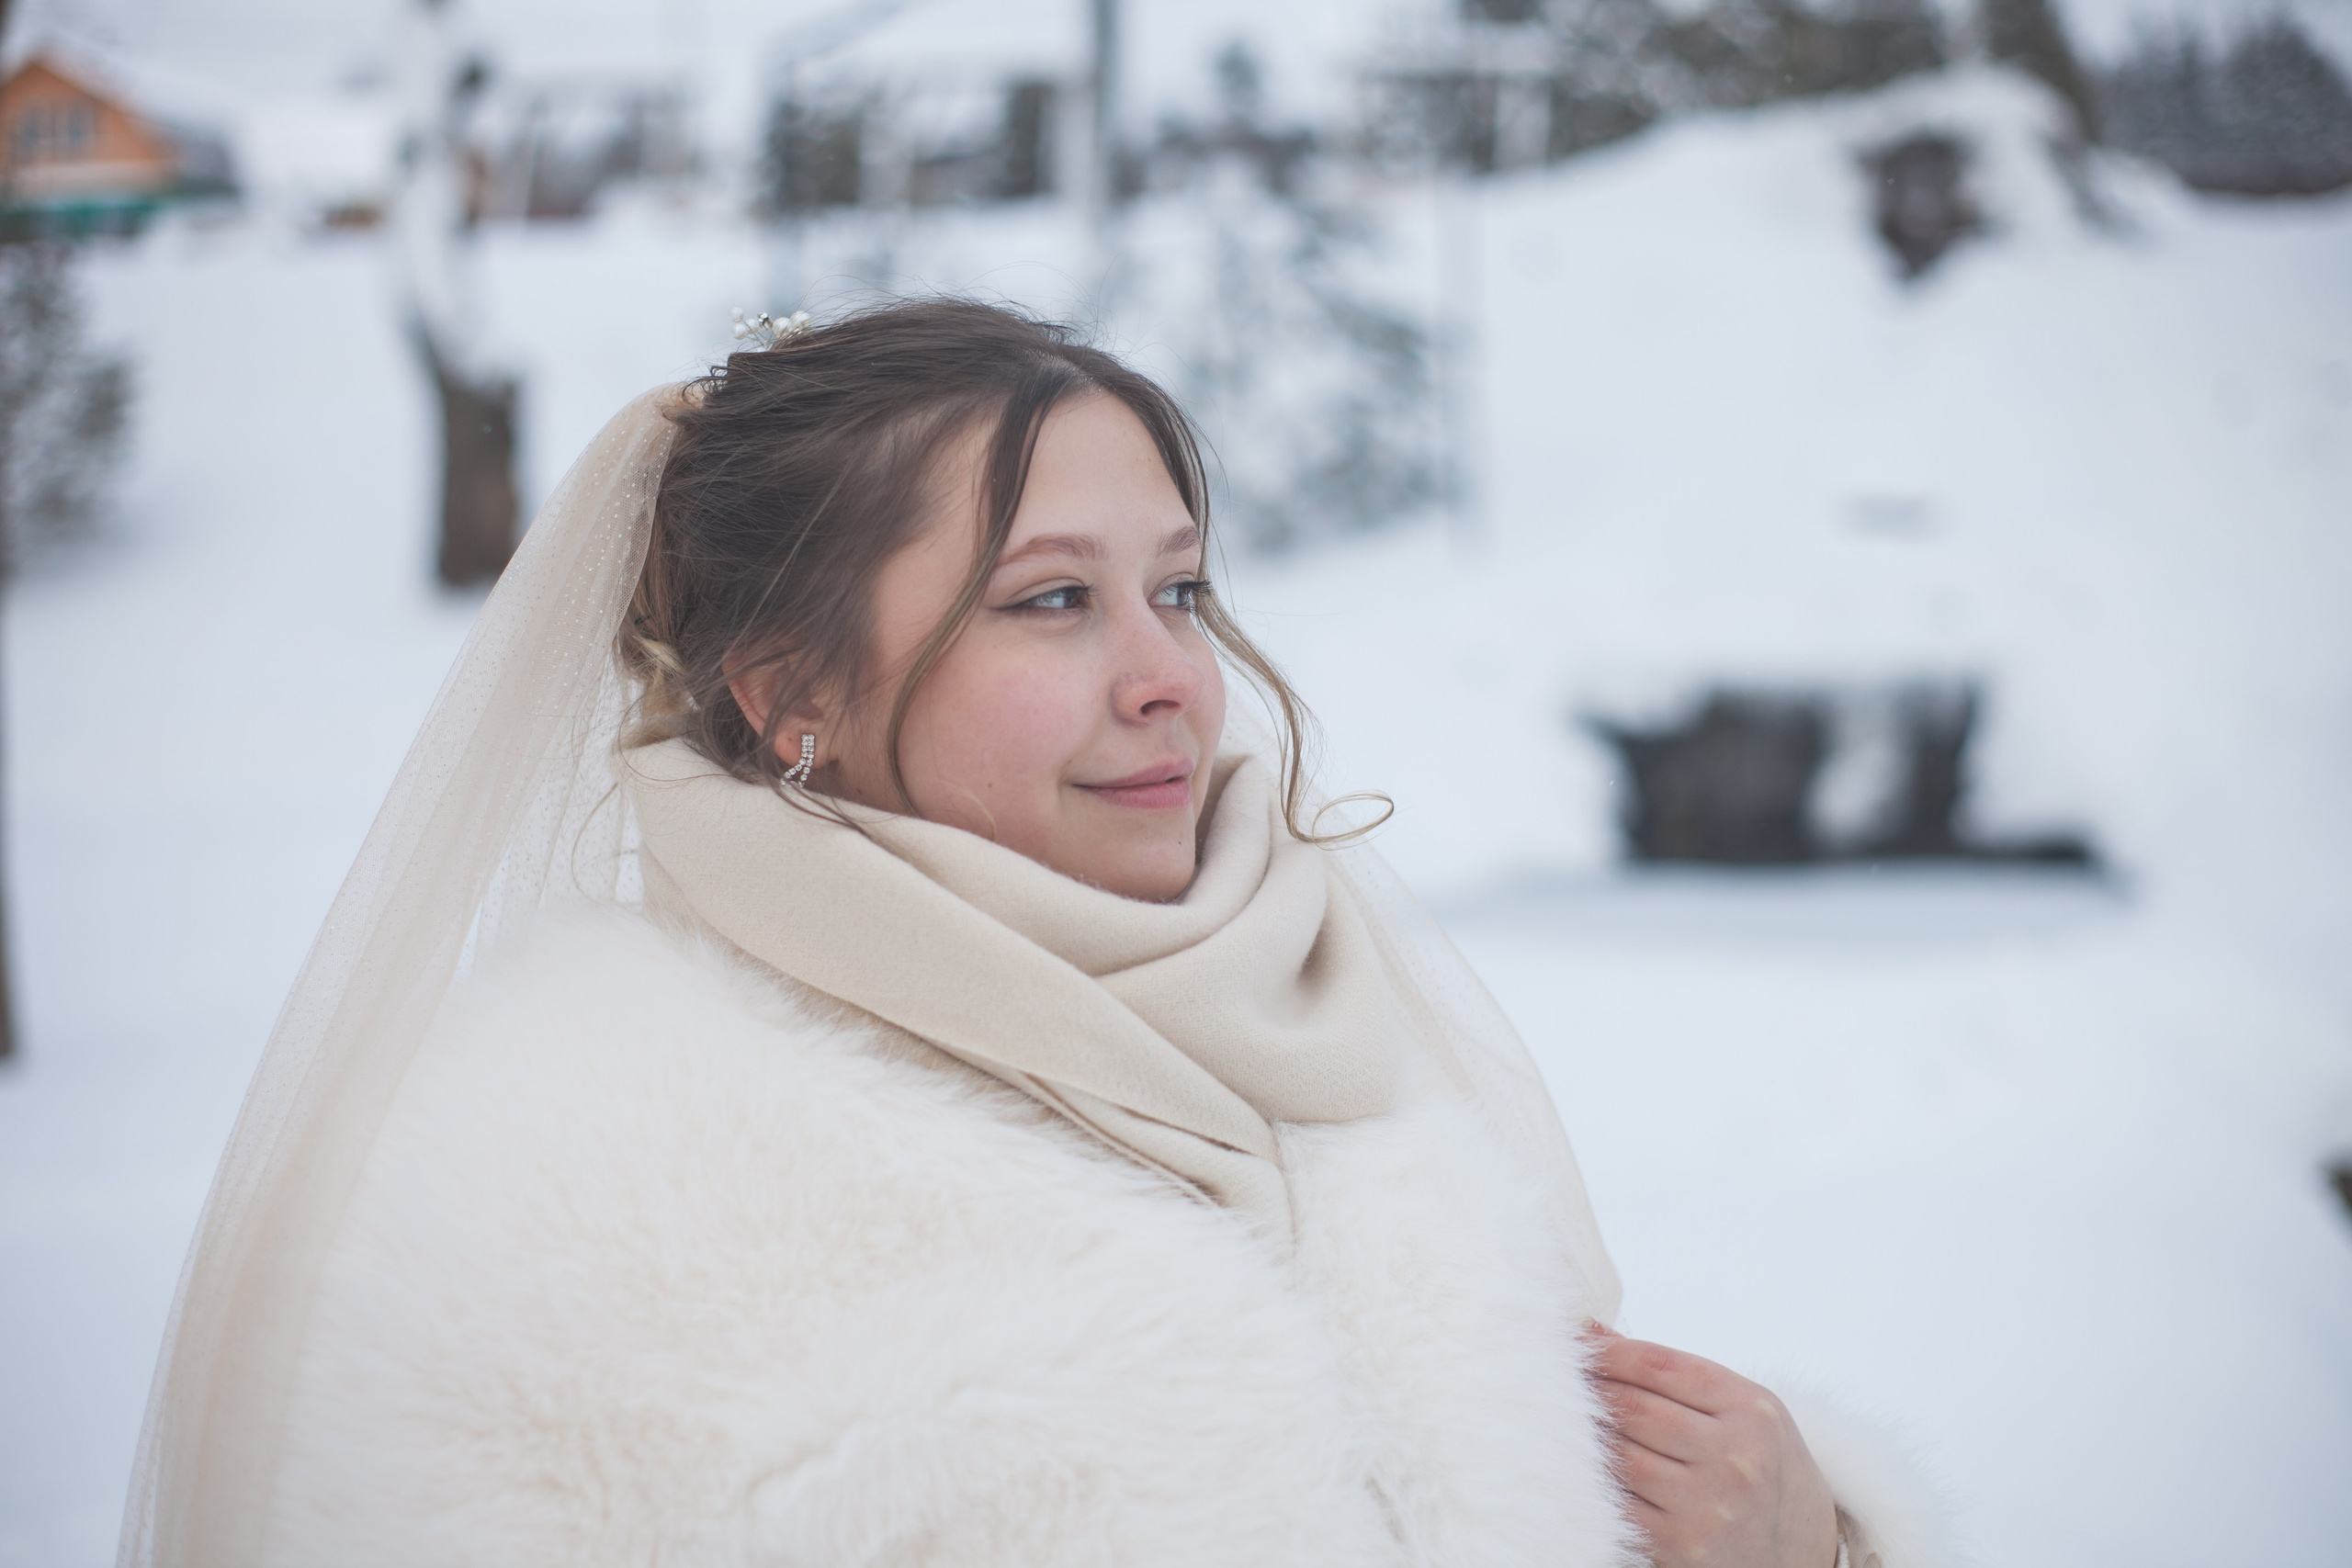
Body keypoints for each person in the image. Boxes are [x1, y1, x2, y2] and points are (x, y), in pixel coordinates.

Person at [120, 299, 1943, 1568]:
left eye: (1177, 586)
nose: (1168, 678)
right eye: (1049, 599)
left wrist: (1796, 1545)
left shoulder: (1327, 1040)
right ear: (787, 696)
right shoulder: (572, 1203)